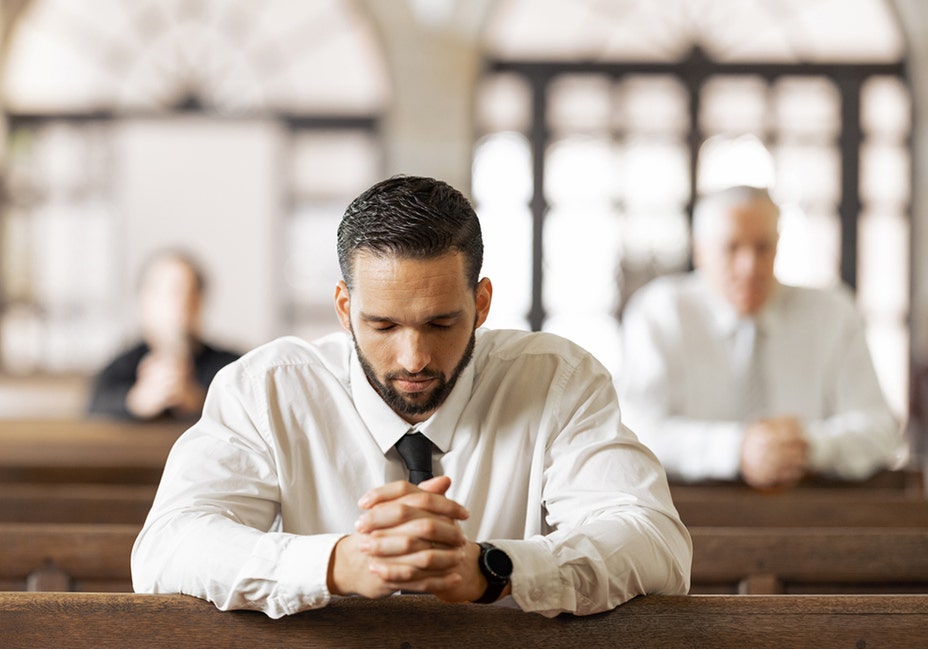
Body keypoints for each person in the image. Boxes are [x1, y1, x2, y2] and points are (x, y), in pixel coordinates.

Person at [131, 175, 691, 618]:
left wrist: (495, 569)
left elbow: (654, 540)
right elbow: (167, 549)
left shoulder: (558, 380)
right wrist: (336, 564)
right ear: (345, 308)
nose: (413, 358)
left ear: (483, 303)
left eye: (442, 323)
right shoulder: (266, 390)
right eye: (382, 325)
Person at [616, 185, 902, 490]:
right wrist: (735, 449)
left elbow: (881, 431)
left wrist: (810, 447)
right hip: (689, 517)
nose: (749, 266)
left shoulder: (833, 313)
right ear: (698, 250)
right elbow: (635, 431)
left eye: (763, 247)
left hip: (814, 513)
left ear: (778, 246)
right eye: (732, 247)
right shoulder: (660, 313)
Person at [88, 250, 241, 421]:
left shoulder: (231, 367)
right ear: (143, 300)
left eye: (189, 292)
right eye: (167, 292)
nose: (180, 302)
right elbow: (91, 411)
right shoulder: (121, 367)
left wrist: (198, 402)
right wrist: (137, 402)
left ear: (199, 302)